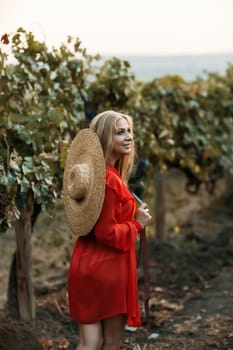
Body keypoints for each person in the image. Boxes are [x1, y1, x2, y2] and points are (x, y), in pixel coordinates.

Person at [67, 110, 152, 350]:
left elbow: (101, 221)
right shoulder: (111, 181)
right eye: (120, 132)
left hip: (84, 264)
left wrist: (131, 213)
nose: (128, 138)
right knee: (111, 344)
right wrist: (138, 223)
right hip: (108, 269)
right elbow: (107, 233)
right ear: (105, 138)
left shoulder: (94, 177)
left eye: (129, 131)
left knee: (88, 342)